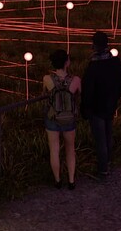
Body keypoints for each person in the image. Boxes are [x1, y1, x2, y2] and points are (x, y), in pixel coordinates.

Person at [81, 31, 121, 177]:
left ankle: (103, 168)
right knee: (108, 133)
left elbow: (88, 90)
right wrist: (115, 97)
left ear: (94, 45)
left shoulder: (93, 67)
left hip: (97, 108)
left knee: (100, 138)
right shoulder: (115, 61)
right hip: (110, 104)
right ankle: (109, 161)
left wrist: (86, 109)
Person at [44, 49, 80, 189]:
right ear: (67, 62)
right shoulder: (75, 80)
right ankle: (71, 181)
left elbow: (45, 94)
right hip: (69, 118)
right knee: (70, 149)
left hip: (53, 118)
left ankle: (57, 180)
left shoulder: (47, 79)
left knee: (54, 150)